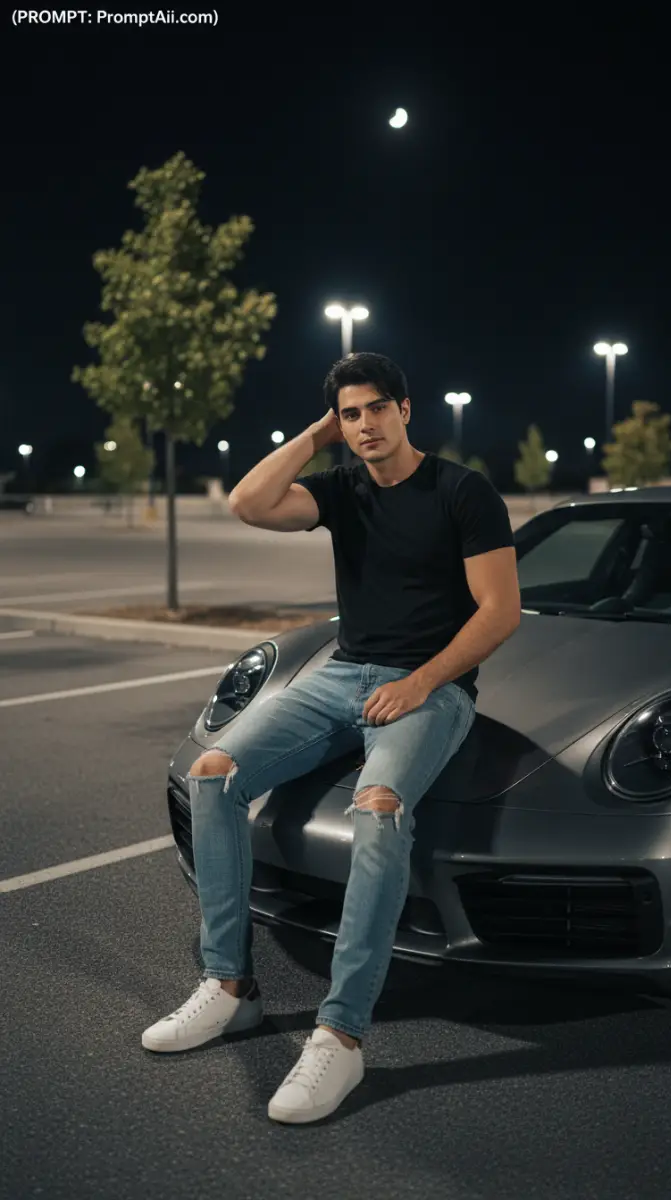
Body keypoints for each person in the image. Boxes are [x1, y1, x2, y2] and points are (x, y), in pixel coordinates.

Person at [142, 352, 520, 1123]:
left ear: (406, 409)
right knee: (213, 771)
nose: (366, 424)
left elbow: (499, 611)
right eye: (351, 414)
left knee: (378, 809)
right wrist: (317, 436)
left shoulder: (463, 491)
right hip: (342, 675)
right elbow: (249, 503)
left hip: (432, 689)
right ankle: (229, 986)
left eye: (377, 408)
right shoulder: (342, 488)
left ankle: (341, 1036)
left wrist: (420, 682)